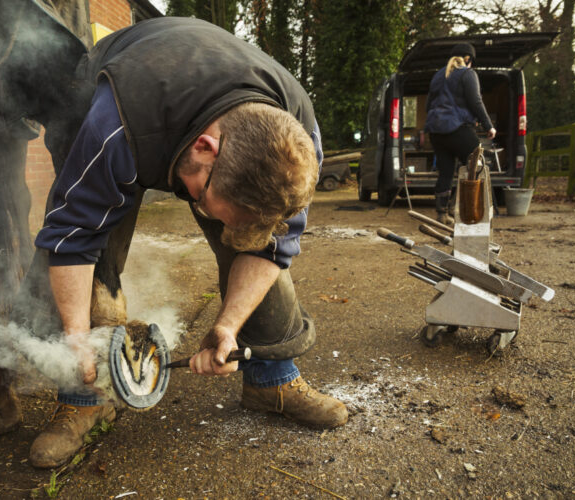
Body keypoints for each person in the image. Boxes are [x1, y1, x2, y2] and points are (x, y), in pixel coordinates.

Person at [26, 17, 349, 469]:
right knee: (93, 255)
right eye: (201, 199)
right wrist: (77, 338)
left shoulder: (296, 140)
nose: (198, 211)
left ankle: (271, 380)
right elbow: (70, 236)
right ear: (205, 147)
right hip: (114, 105)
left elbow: (273, 249)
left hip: (192, 111)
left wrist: (228, 327)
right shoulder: (113, 126)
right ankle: (83, 398)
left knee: (258, 245)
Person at [424, 42, 496, 224]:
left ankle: (442, 214)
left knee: (445, 171)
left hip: (436, 131)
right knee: (475, 164)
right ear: (469, 59)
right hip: (457, 128)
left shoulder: (438, 76)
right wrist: (489, 126)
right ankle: (465, 208)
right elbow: (476, 101)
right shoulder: (467, 73)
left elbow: (428, 105)